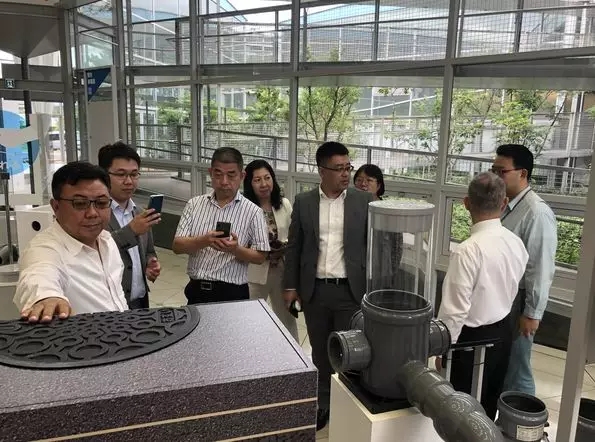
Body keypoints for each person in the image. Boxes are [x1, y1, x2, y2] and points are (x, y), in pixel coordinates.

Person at [283, 141, 374, 431]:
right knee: (321, 353)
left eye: (348, 167)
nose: (346, 174)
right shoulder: (304, 202)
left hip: (350, 290)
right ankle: (323, 403)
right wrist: (290, 285)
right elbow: (294, 247)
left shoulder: (364, 201)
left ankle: (349, 405)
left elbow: (378, 245)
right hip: (316, 291)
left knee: (350, 352)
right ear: (321, 171)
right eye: (339, 169)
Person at [437, 171, 528, 419]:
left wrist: (443, 350)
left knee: (460, 413)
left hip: (469, 340)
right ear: (504, 203)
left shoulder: (467, 250)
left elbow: (454, 312)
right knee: (488, 405)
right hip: (503, 334)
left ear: (466, 203)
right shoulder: (515, 243)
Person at [14, 161, 128, 323]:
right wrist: (46, 298)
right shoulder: (45, 248)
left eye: (101, 203)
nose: (92, 213)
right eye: (80, 204)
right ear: (56, 207)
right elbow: (39, 274)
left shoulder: (106, 240)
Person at [492, 144, 558, 395]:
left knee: (517, 368)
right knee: (503, 364)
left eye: (501, 171)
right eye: (493, 170)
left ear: (522, 173)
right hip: (503, 296)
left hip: (519, 301)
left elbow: (540, 268)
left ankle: (524, 417)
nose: (495, 177)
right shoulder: (505, 205)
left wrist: (532, 313)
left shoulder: (536, 213)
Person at [172, 147, 270, 304]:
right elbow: (177, 246)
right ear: (211, 173)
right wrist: (204, 240)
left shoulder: (253, 211)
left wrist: (235, 249)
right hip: (197, 290)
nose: (224, 182)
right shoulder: (194, 204)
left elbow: (260, 257)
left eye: (231, 175)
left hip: (233, 292)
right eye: (218, 175)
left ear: (242, 176)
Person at [98, 142, 162, 309]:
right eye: (121, 174)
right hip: (111, 304)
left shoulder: (139, 212)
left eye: (134, 174)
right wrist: (131, 230)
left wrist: (150, 263)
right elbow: (97, 250)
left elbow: (149, 251)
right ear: (104, 175)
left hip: (140, 300)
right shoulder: (96, 213)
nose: (129, 181)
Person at [243, 159, 299, 341]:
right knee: (251, 318)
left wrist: (284, 245)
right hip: (254, 272)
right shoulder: (244, 207)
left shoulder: (284, 204)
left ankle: (293, 354)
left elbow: (293, 235)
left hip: (282, 270)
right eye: (257, 180)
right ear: (249, 183)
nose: (264, 184)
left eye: (267, 178)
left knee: (288, 318)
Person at [354, 164, 403, 290]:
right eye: (359, 180)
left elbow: (397, 246)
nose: (363, 184)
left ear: (379, 185)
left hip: (381, 271)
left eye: (369, 180)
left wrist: (392, 271)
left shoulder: (387, 211)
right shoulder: (349, 207)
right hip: (354, 271)